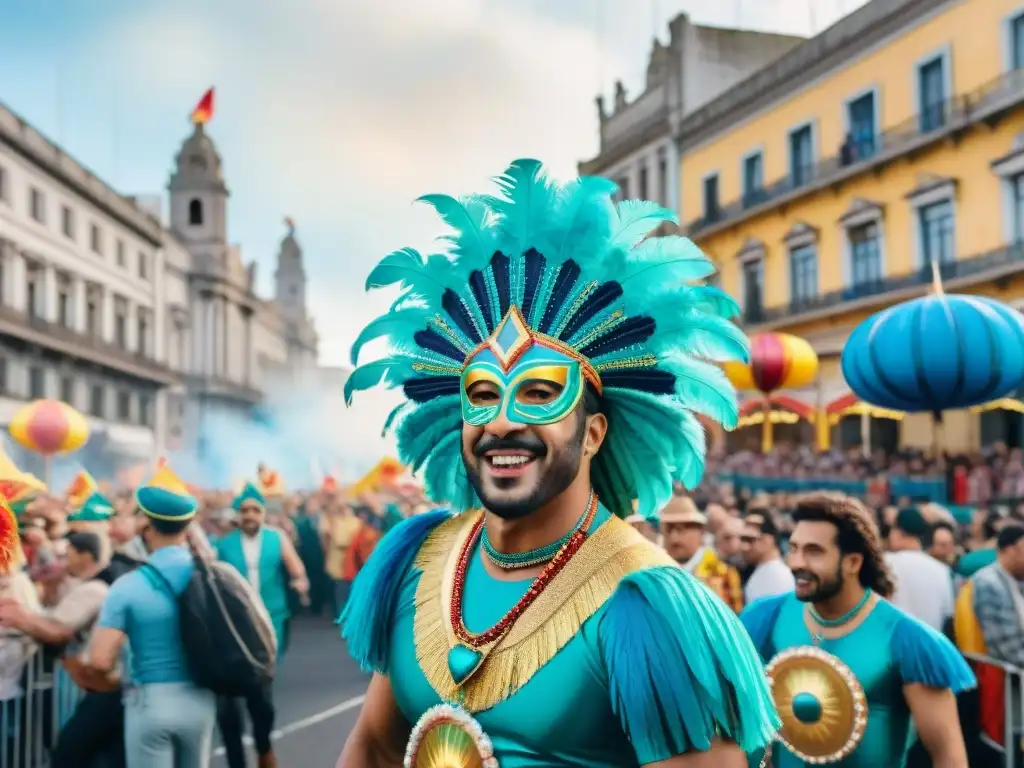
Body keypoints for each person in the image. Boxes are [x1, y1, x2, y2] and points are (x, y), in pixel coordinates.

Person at [338, 159, 777, 767]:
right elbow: (375, 747)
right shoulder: (419, 560)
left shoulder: (647, 606)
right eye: (483, 395)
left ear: (593, 432)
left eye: (540, 394)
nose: (501, 423)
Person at [741, 493, 975, 768]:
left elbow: (949, 758)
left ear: (853, 562)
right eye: (793, 548)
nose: (796, 563)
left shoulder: (908, 641)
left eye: (813, 551)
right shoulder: (764, 617)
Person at [86, 465, 216, 768]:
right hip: (201, 702)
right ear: (188, 527)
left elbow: (101, 660)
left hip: (150, 702)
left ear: (147, 525)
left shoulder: (128, 585)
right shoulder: (213, 577)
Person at [216, 481, 309, 768]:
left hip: (271, 617)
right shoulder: (223, 544)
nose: (250, 515)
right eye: (244, 510)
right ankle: (239, 757)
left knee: (262, 683)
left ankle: (264, 747)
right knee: (231, 693)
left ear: (263, 513)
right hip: (235, 622)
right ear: (237, 514)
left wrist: (300, 583)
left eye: (255, 510)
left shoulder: (276, 537)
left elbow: (296, 567)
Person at [661, 494, 744, 612]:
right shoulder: (656, 572)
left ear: (700, 530)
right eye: (668, 530)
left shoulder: (723, 575)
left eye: (680, 529)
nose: (674, 538)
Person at [885, 507, 955, 632]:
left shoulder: (884, 563)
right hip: (929, 646)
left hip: (889, 646)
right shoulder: (941, 570)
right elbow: (948, 616)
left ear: (898, 533)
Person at [741, 511, 794, 604]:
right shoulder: (766, 572)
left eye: (750, 540)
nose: (744, 547)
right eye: (742, 539)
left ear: (768, 540)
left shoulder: (777, 576)